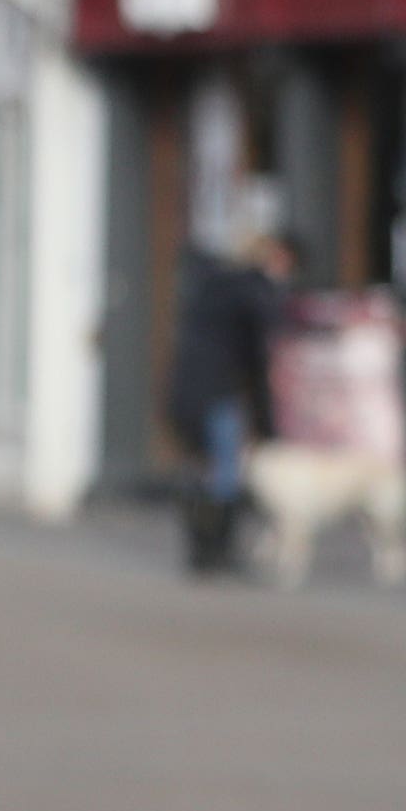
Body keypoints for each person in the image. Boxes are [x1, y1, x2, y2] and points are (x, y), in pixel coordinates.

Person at [162, 226, 290, 569]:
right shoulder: (250, 293)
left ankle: (200, 548)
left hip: (187, 391)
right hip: (219, 391)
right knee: (225, 472)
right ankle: (218, 549)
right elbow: (260, 354)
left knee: (198, 468)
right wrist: (267, 419)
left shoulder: (205, 287)